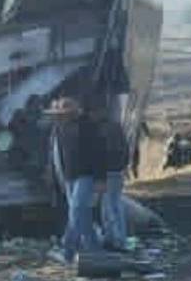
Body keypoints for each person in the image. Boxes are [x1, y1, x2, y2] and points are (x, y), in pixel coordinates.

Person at [47, 97, 102, 264]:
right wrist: (56, 176)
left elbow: (99, 153)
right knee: (80, 215)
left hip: (86, 176)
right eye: (57, 115)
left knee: (77, 211)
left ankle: (73, 250)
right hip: (69, 177)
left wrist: (100, 178)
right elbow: (57, 156)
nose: (58, 117)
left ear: (72, 113)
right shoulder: (59, 129)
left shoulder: (87, 126)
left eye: (62, 114)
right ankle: (86, 251)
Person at [99, 111, 130, 251]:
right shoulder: (117, 128)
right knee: (114, 205)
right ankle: (116, 238)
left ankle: (115, 239)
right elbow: (126, 150)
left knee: (109, 206)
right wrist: (124, 166)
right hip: (118, 171)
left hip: (107, 172)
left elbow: (99, 154)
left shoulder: (100, 131)